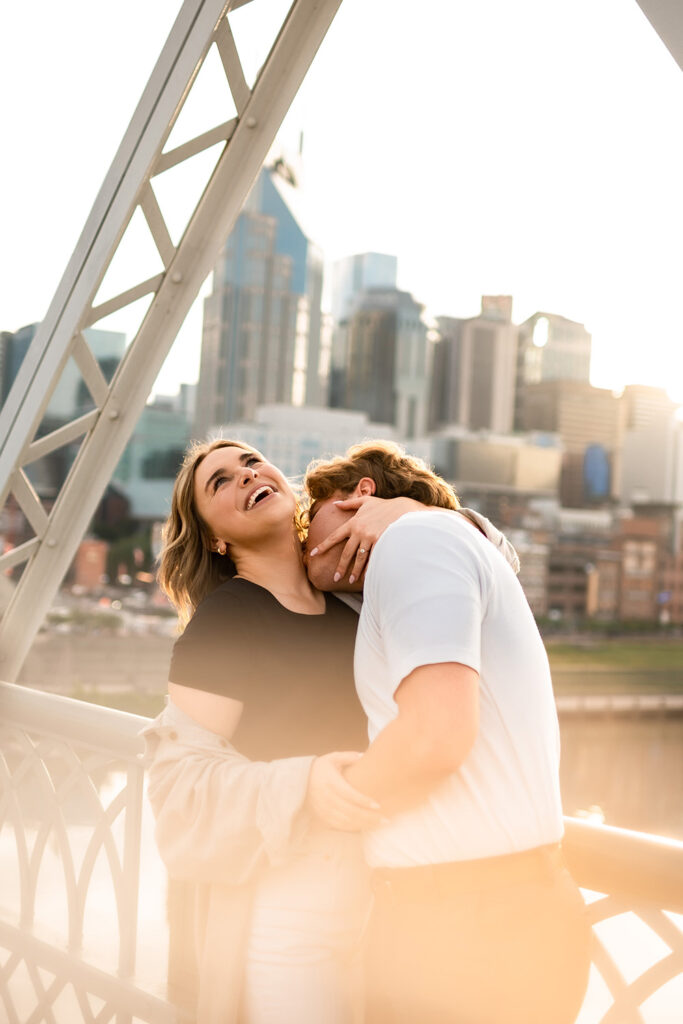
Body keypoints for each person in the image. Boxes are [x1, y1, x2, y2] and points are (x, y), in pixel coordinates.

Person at [141, 438, 439, 1024]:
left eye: (251, 461)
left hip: (385, 896)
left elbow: (492, 565)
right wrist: (303, 784)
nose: (245, 474)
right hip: (288, 905)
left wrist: (409, 512)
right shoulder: (227, 620)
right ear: (214, 538)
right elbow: (178, 791)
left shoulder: (351, 597)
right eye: (219, 481)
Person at [303, 440, 592, 1024]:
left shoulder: (414, 542)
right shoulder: (433, 541)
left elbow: (435, 736)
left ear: (359, 496)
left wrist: (325, 801)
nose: (301, 538)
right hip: (488, 916)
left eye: (311, 518)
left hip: (468, 929)